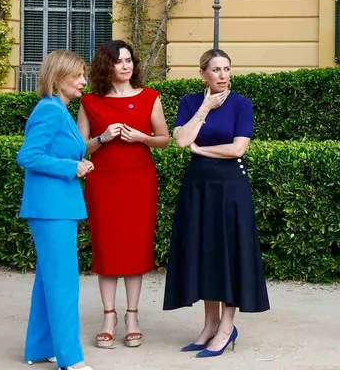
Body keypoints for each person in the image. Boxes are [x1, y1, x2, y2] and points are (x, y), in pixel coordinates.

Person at [163, 49, 270, 358]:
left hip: (231, 188)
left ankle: (226, 327)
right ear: (203, 75)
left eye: (227, 69)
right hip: (198, 189)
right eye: (216, 69)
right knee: (206, 253)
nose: (223, 75)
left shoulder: (241, 104)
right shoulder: (189, 102)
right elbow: (182, 140)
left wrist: (203, 150)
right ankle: (209, 326)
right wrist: (205, 108)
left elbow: (238, 149)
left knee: (231, 254)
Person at [77, 40, 170, 349]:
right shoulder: (90, 102)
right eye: (119, 62)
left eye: (129, 60)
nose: (126, 66)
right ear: (107, 66)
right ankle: (108, 317)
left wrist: (144, 137)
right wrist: (102, 138)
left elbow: (164, 139)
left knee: (134, 249)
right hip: (102, 181)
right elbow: (79, 148)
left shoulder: (149, 97)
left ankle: (132, 316)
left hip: (139, 181)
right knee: (106, 249)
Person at [16, 50, 95, 370]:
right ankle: (69, 358)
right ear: (58, 77)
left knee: (49, 280)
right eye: (77, 75)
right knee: (63, 281)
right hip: (51, 208)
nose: (83, 81)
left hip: (56, 206)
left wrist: (79, 160)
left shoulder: (58, 109)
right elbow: (27, 156)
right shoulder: (49, 110)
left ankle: (40, 347)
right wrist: (71, 167)